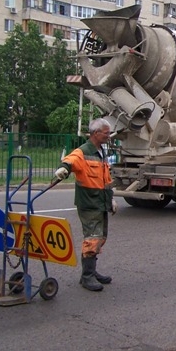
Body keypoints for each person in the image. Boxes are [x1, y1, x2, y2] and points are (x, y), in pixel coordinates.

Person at [54, 118, 117, 292]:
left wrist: (111, 198)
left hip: (101, 202)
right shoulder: (83, 151)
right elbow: (70, 160)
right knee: (92, 239)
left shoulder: (101, 151)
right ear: (96, 133)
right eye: (106, 133)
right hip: (89, 203)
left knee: (100, 238)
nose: (109, 136)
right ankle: (87, 276)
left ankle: (91, 271)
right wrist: (64, 168)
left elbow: (106, 179)